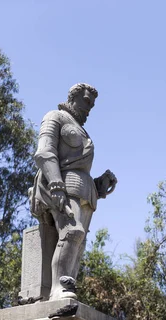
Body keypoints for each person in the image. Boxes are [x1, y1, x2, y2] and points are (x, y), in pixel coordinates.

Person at [29, 83, 117, 301]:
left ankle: (68, 285)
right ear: (73, 97)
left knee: (79, 243)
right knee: (72, 232)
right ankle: (58, 288)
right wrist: (56, 184)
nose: (89, 108)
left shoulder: (82, 129)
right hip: (59, 185)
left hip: (84, 191)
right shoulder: (54, 116)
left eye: (92, 105)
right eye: (87, 101)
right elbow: (44, 153)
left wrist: (99, 185)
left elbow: (77, 165)